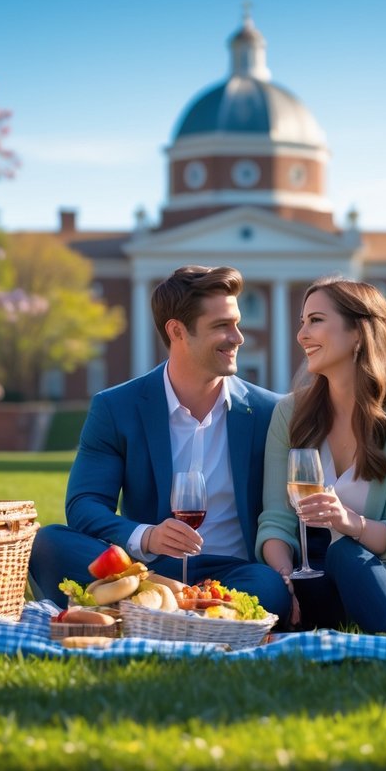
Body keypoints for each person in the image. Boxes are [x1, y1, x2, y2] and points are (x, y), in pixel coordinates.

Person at [29, 265, 290, 621]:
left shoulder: (268, 412)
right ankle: (174, 601)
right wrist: (147, 536)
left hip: (233, 574)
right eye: (221, 326)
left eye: (237, 322)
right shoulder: (116, 407)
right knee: (47, 543)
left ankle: (147, 610)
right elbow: (84, 504)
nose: (237, 337)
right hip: (145, 567)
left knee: (269, 587)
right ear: (177, 330)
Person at [257, 276, 386, 640]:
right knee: (277, 579)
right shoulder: (291, 413)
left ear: (358, 334)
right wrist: (284, 580)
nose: (302, 335)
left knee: (346, 553)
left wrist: (351, 523)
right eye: (302, 322)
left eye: (315, 320)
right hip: (308, 583)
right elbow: (275, 522)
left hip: (378, 573)